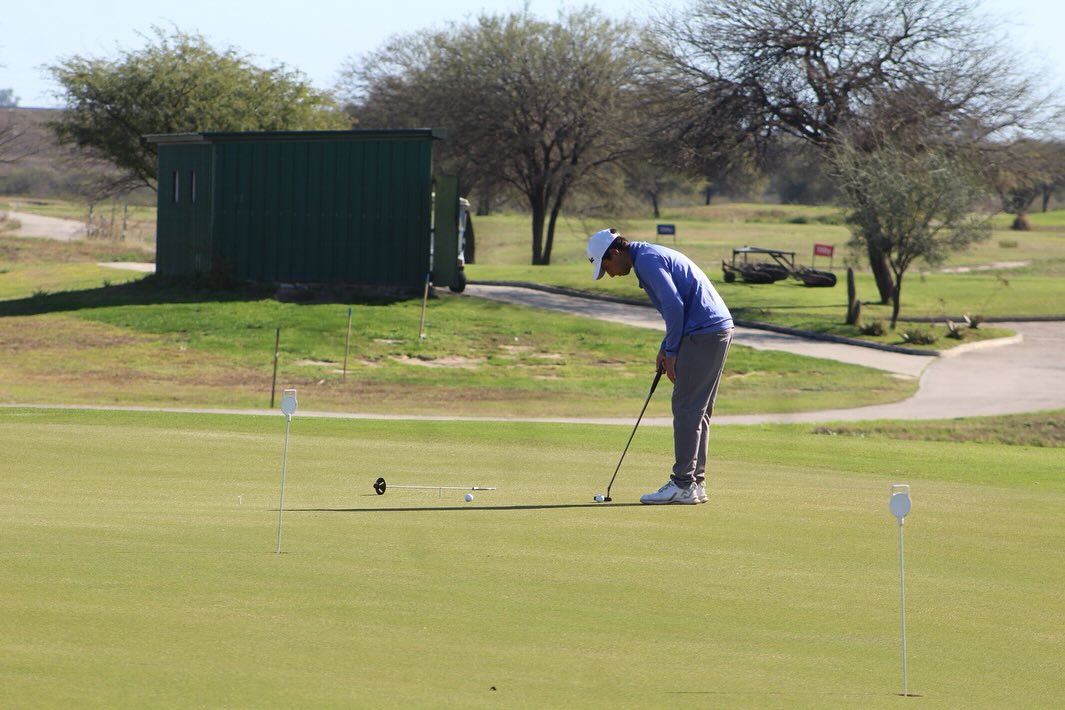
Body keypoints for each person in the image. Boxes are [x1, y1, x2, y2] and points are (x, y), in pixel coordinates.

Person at [587, 228, 734, 505]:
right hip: (715, 328)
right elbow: (674, 309)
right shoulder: (647, 255)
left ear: (615, 252)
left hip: (703, 331)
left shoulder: (647, 261)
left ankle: (683, 483)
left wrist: (672, 350)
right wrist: (666, 346)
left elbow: (674, 306)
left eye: (606, 266)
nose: (610, 273)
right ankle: (694, 483)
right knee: (698, 410)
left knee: (687, 407)